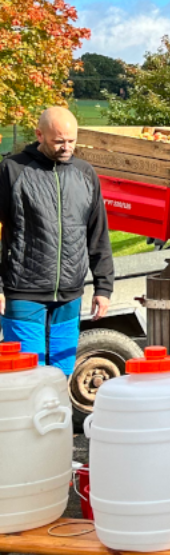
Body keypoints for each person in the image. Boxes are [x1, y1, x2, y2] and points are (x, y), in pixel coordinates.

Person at [0, 106, 112, 375]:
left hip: (70, 295)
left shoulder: (85, 174)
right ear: (39, 135)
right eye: (58, 141)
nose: (66, 147)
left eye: (71, 141)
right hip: (24, 293)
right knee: (27, 377)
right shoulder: (12, 170)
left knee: (62, 376)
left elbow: (98, 232)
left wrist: (103, 287)